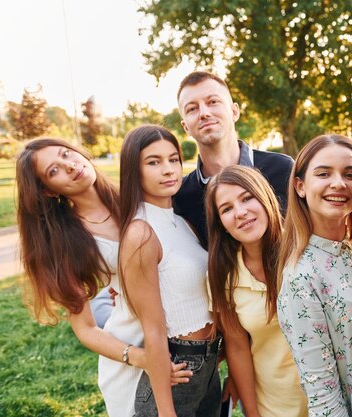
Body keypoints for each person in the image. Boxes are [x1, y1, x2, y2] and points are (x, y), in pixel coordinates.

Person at [16, 138, 149, 416]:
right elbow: (85, 328)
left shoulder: (137, 193)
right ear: (47, 192)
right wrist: (140, 358)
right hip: (134, 357)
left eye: (66, 154)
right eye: (54, 171)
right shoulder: (66, 241)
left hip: (192, 339)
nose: (69, 165)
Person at [277, 134, 352, 417]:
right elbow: (323, 395)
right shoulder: (300, 278)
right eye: (324, 173)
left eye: (350, 174)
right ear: (300, 186)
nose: (339, 183)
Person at [118, 125, 220, 417]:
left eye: (173, 159)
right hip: (175, 370)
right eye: (154, 162)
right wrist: (165, 411)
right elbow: (153, 328)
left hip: (208, 365)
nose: (168, 169)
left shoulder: (182, 222)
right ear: (133, 170)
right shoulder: (140, 231)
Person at [205, 165, 308, 417]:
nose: (240, 212)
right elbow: (237, 347)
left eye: (247, 198)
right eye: (227, 209)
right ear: (221, 224)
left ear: (265, 197)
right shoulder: (223, 276)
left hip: (333, 399)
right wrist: (252, 413)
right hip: (275, 405)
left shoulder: (306, 249)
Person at [173, 71, 294, 249]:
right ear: (185, 127)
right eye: (192, 109)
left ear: (234, 111)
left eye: (213, 102)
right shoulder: (180, 196)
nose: (204, 113)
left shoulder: (283, 169)